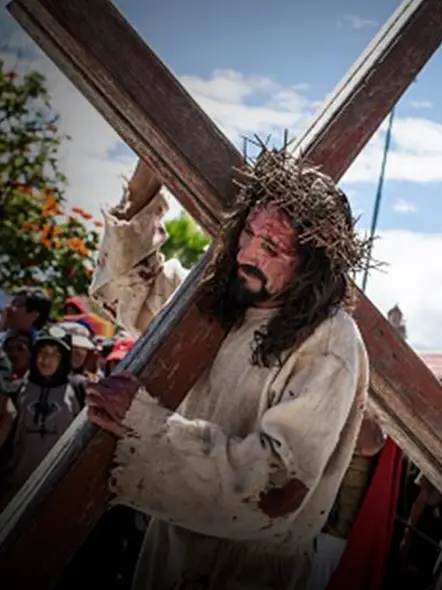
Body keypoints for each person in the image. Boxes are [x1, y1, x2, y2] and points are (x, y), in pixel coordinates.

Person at [82, 150, 371, 590]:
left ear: (312, 264)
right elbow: (126, 288)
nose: (249, 252)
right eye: (249, 234)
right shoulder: (220, 303)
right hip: (168, 553)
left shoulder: (329, 341)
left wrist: (143, 422)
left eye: (271, 247)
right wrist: (145, 182)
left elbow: (276, 487)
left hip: (248, 574)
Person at [0, 325, 85, 510]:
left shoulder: (79, 390)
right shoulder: (17, 390)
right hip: (16, 485)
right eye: (42, 352)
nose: (46, 359)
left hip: (59, 487)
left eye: (55, 354)